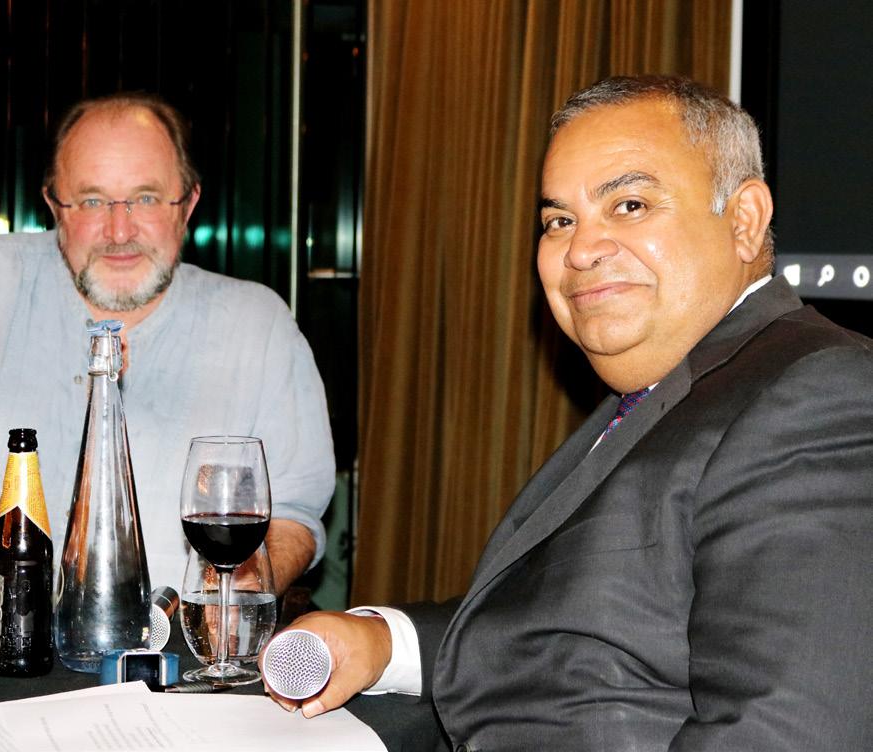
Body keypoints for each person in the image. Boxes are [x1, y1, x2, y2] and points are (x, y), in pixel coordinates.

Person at [264, 75, 873, 750]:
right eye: (559, 221)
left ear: (744, 220)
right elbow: (577, 631)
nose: (581, 250)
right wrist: (385, 642)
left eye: (630, 205)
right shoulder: (661, 393)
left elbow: (785, 732)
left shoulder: (821, 393)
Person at [0, 92, 335, 638]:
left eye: (146, 198)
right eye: (91, 201)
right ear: (55, 206)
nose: (120, 231)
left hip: (167, 670)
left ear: (188, 204)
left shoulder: (258, 326)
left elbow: (292, 512)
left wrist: (238, 585)